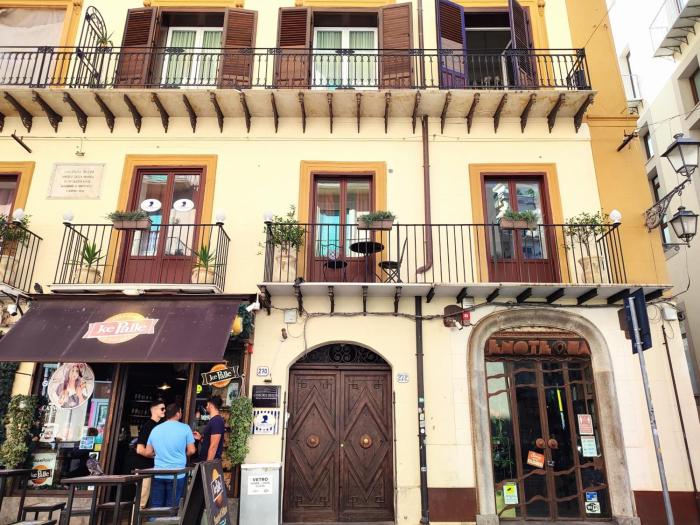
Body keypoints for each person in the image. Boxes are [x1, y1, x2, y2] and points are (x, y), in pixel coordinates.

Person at [145, 403, 195, 508]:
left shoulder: (156, 429)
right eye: (180, 412)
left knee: (156, 507)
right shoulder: (185, 428)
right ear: (177, 414)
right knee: (172, 507)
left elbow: (148, 452)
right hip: (177, 474)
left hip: (158, 473)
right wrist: (182, 454)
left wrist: (160, 455)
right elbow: (191, 450)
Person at [130, 399, 165, 507]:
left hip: (150, 467)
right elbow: (140, 449)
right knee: (141, 500)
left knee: (146, 499)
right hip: (143, 468)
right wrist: (156, 456)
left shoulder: (157, 425)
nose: (164, 411)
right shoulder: (148, 426)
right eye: (162, 409)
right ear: (154, 410)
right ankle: (134, 517)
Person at [193, 395, 225, 462]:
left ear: (211, 405)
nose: (206, 407)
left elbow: (213, 447)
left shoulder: (217, 421)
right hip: (204, 461)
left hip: (209, 463)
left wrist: (208, 465)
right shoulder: (213, 420)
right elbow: (209, 443)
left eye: (207, 404)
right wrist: (200, 438)